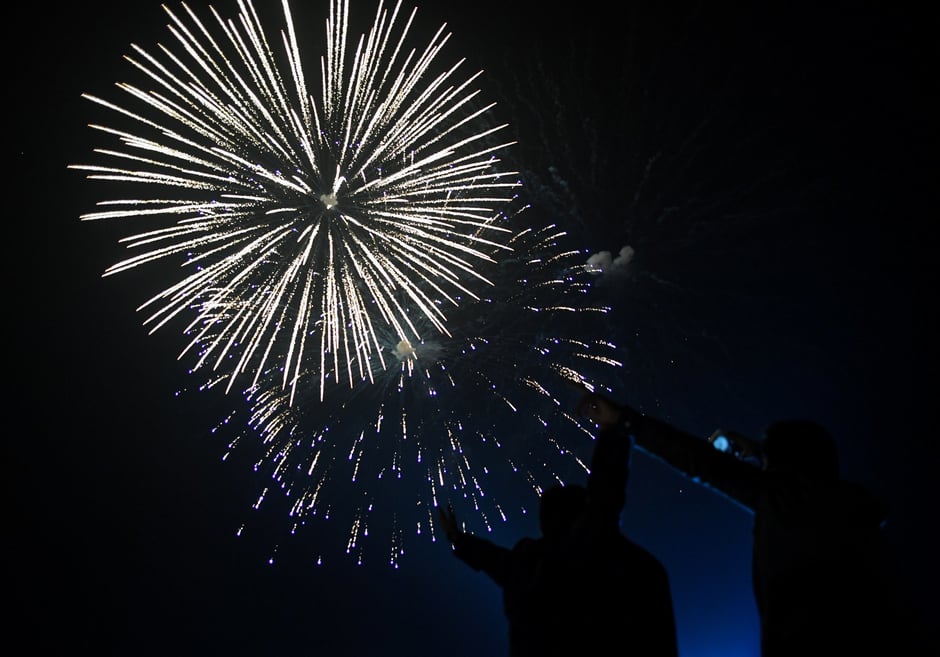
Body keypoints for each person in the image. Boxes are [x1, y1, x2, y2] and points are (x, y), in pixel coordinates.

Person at [603, 397, 911, 656]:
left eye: (770, 457)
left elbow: (704, 464)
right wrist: (759, 451)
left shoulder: (788, 502)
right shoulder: (852, 512)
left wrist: (626, 422)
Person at [437, 392, 678, 657]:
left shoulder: (527, 566)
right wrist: (615, 429)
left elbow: (493, 559)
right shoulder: (626, 565)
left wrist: (456, 538)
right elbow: (605, 497)